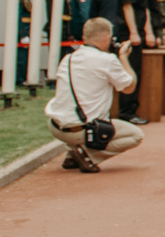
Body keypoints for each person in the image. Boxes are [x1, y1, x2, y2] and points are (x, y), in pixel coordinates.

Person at [46, 17, 142, 171]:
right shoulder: (107, 60)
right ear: (107, 38)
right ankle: (88, 155)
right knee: (135, 135)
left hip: (56, 126)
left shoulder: (68, 58)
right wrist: (123, 57)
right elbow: (129, 87)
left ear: (84, 37)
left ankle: (72, 154)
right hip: (84, 129)